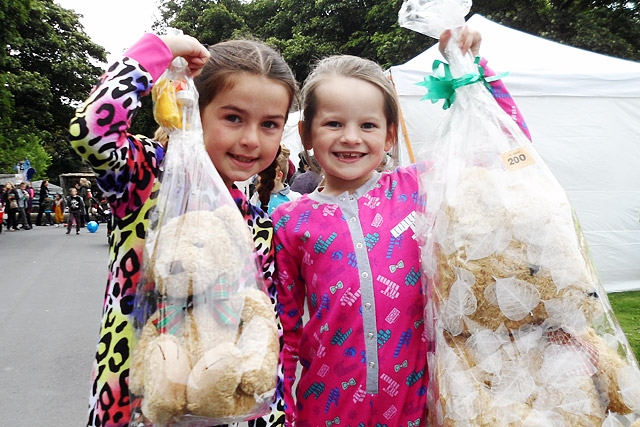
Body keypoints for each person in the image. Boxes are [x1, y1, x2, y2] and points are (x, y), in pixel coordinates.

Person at [271, 28, 531, 427]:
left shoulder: (419, 187)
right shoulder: (290, 221)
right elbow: (284, 332)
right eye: (334, 124)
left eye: (369, 126)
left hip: (418, 404)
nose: (351, 138)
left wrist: (472, 68)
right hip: (325, 408)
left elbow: (508, 147)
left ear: (391, 134)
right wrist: (281, 413)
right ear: (306, 133)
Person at [69, 31, 297, 427]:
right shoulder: (147, 179)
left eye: (270, 125)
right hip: (138, 407)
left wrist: (271, 416)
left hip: (226, 407)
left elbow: (264, 328)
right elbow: (91, 130)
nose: (250, 139)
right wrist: (156, 53)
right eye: (233, 118)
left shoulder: (255, 223)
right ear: (195, 109)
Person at [252, 144, 302, 214]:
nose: (259, 178)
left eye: (265, 174)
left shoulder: (295, 198)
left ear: (279, 175)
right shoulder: (257, 195)